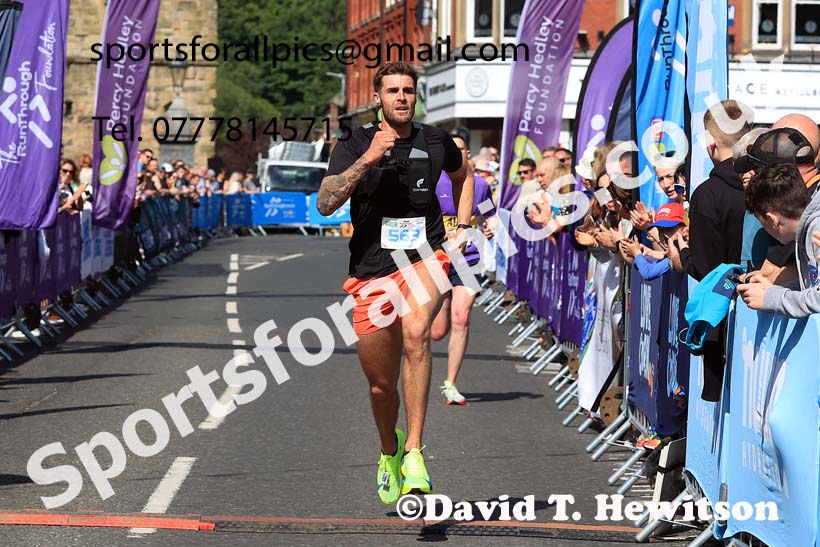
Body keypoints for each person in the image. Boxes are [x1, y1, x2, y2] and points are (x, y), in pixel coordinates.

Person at [316, 61, 472, 504]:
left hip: (426, 256)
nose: (401, 97)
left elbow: (465, 175)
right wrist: (369, 159)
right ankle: (389, 450)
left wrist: (462, 226)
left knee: (418, 335)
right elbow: (326, 203)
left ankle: (415, 452)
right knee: (381, 384)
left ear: (415, 95)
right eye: (392, 91)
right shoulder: (354, 143)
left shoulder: (436, 140)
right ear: (378, 98)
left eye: (408, 90)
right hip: (371, 271)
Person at [679, 100, 750, 402]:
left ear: (710, 143)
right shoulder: (771, 183)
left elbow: (707, 269)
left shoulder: (709, 194)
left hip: (724, 322)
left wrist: (680, 257)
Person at [430, 128, 495, 405]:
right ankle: (442, 301)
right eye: (451, 151)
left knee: (461, 317)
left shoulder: (480, 185)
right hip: (435, 256)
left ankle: (450, 383)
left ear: (468, 153)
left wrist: (490, 227)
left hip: (467, 259)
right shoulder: (433, 181)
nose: (457, 155)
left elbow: (491, 213)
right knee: (436, 331)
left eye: (461, 150)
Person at [737, 163, 820, 317]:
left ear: (772, 219)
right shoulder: (804, 232)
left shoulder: (815, 232)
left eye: (761, 222)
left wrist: (770, 298)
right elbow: (810, 285)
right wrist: (771, 290)